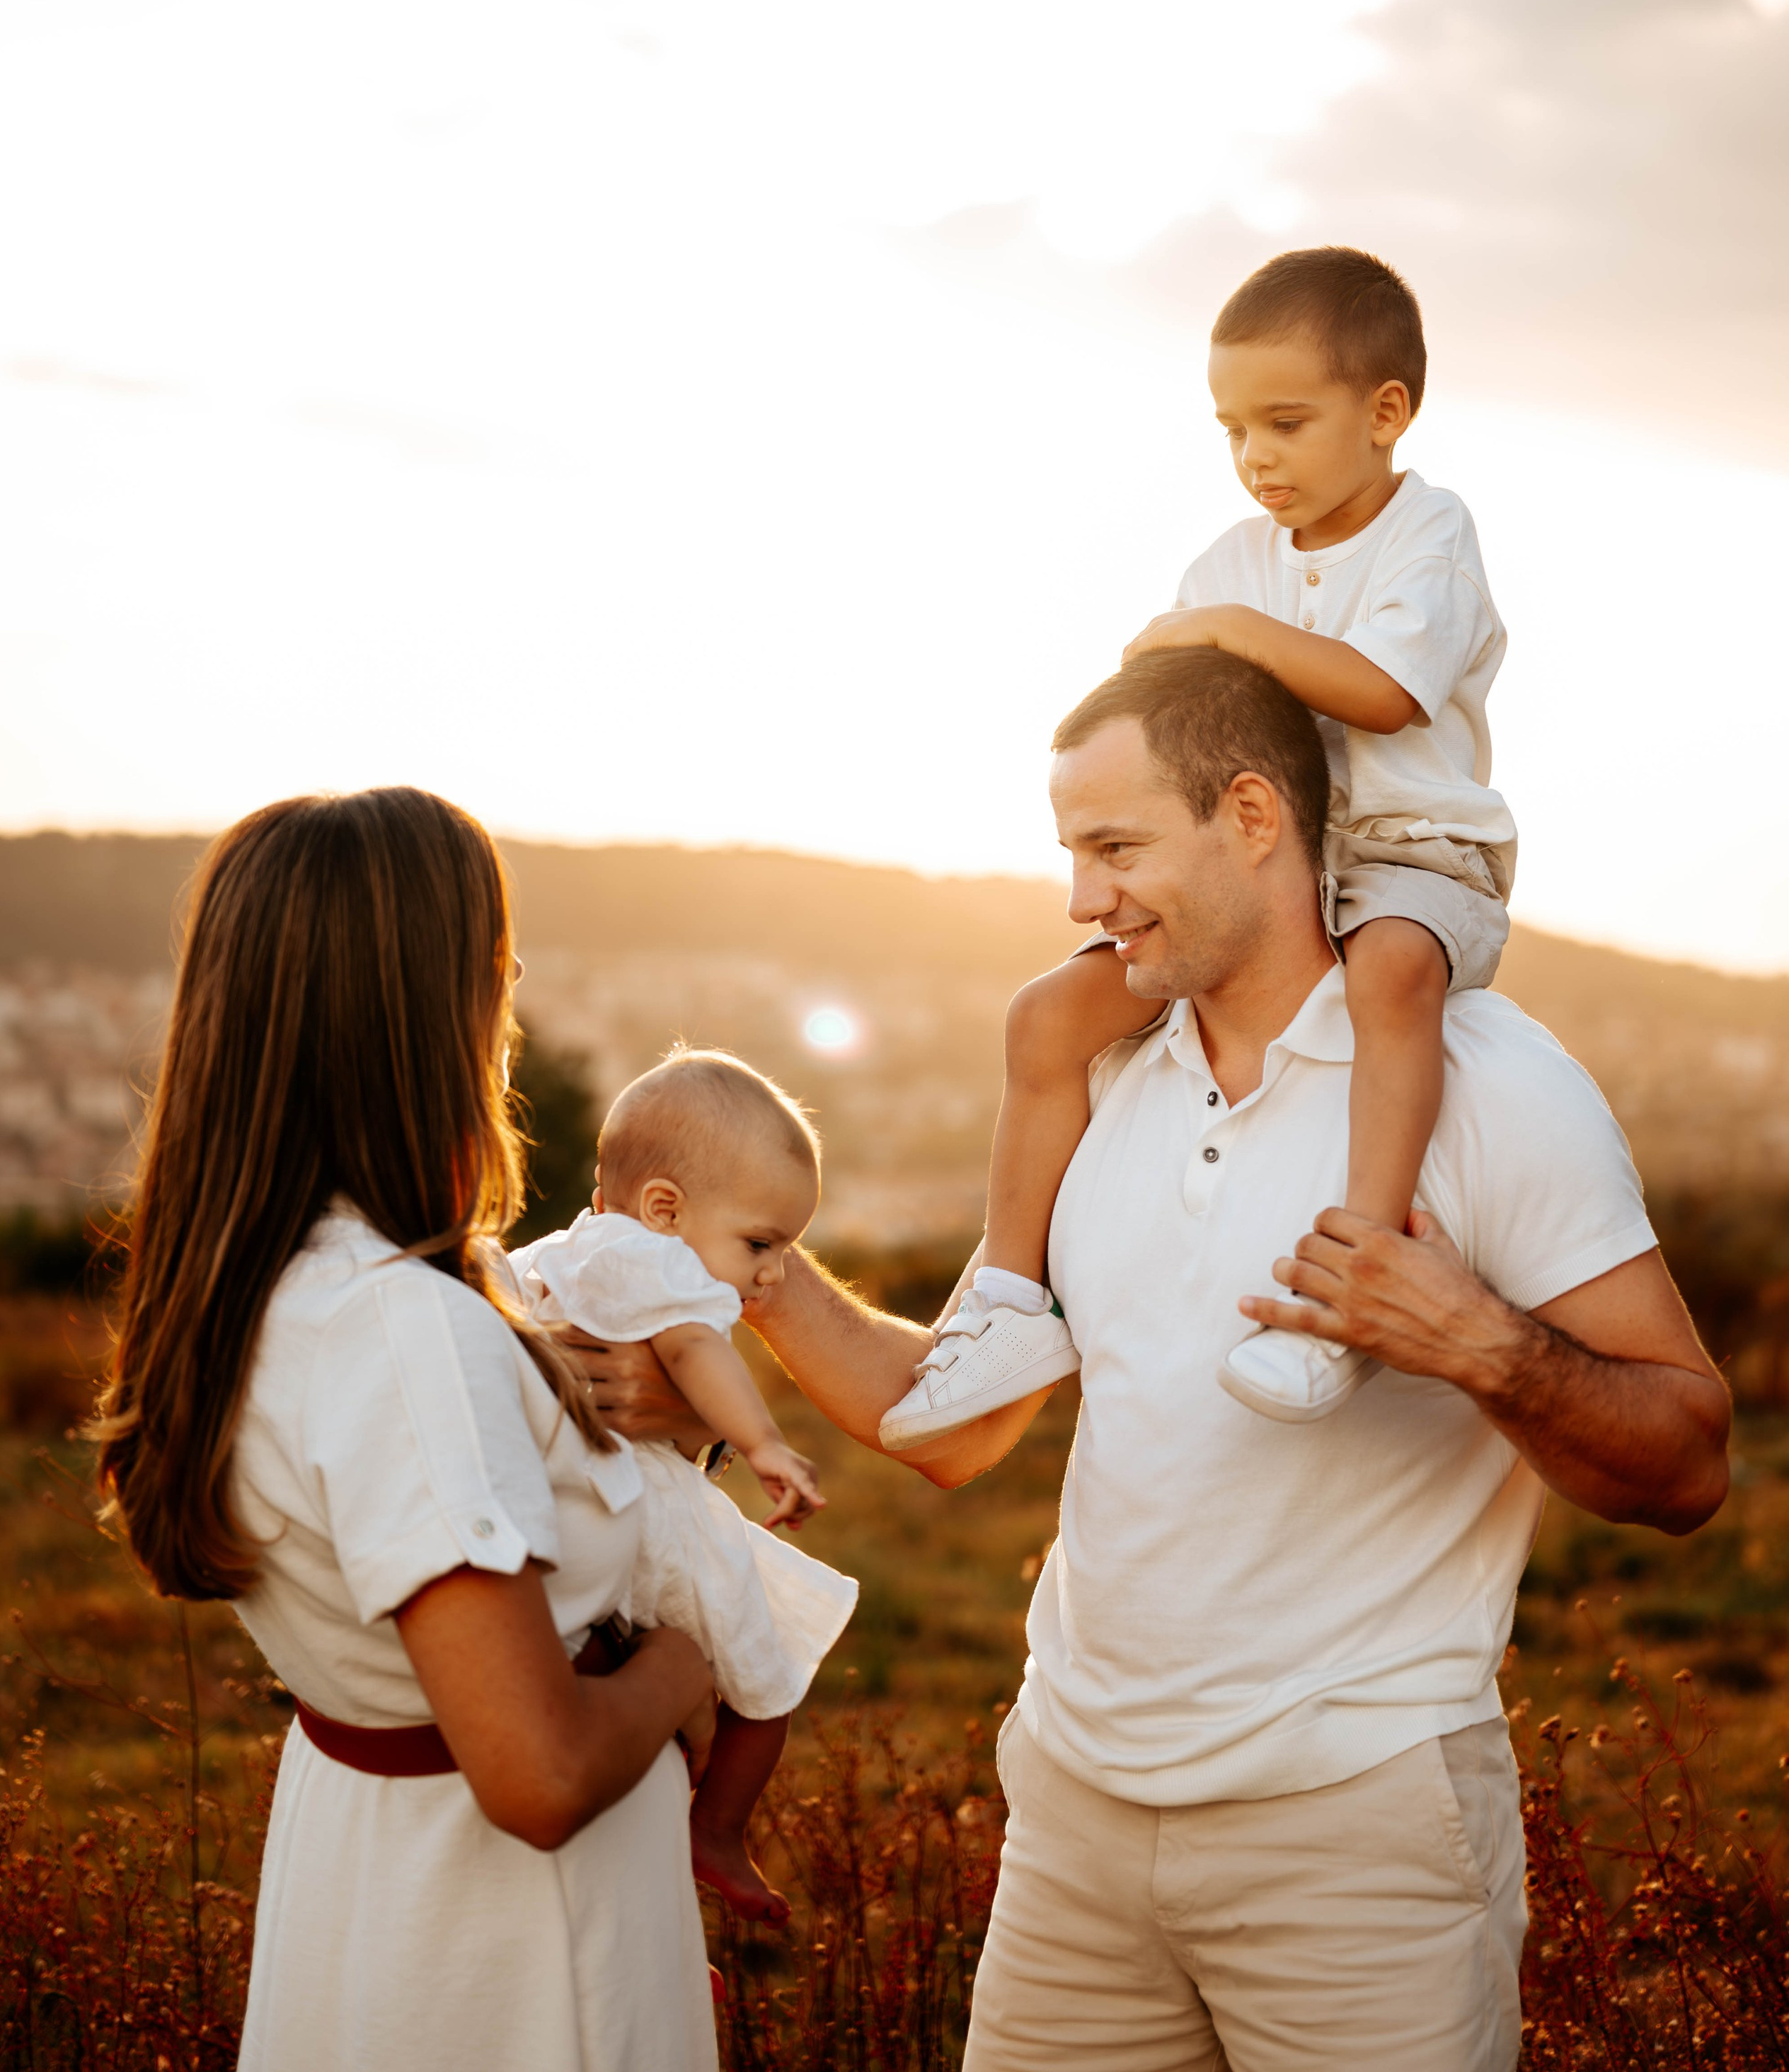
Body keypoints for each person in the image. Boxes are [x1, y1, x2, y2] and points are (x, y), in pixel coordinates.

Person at [574, 650, 1730, 2071]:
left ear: (1251, 814)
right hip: (1071, 1823)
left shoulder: (1487, 1085)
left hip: (1354, 1839)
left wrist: (1480, 1345)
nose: (1079, 898)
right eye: (1069, 851)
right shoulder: (1101, 1076)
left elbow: (1685, 1460)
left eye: (1114, 847)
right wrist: (725, 1261)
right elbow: (947, 1425)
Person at [96, 787, 720, 2072]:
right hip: (506, 1952)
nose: (517, 992)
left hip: (365, 1873)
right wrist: (683, 1666)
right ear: (415, 1013)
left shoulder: (273, 1287)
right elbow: (536, 1773)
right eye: (494, 963)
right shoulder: (400, 1332)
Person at [882, 244, 1519, 1445]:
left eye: (1286, 422)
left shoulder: (1428, 538)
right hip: (1274, 866)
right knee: (1048, 1017)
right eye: (1233, 430)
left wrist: (1225, 633)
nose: (1256, 458)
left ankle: (1353, 1277)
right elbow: (1179, 711)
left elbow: (1385, 693)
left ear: (1387, 413)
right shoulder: (1232, 562)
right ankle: (1012, 1297)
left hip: (1414, 855)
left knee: (1392, 971)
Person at [519, 1047, 858, 1925]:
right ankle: (716, 1830)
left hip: (559, 1516)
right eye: (760, 1243)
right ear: (664, 1208)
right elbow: (694, 1350)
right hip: (649, 1516)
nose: (774, 1273)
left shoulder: (564, 1248)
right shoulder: (660, 1264)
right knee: (767, 1672)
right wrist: (765, 1443)